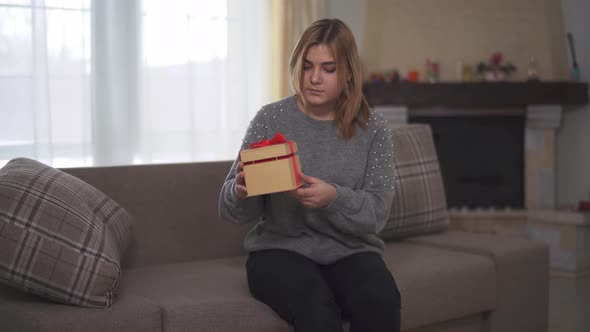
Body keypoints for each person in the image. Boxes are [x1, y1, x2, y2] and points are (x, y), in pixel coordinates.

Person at [219, 18, 401, 332]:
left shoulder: (373, 127)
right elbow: (229, 210)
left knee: (382, 299)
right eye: (307, 67)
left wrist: (333, 197)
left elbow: (378, 213)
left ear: (348, 73)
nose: (314, 78)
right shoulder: (270, 118)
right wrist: (240, 190)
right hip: (277, 251)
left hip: (350, 250)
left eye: (328, 69)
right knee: (318, 310)